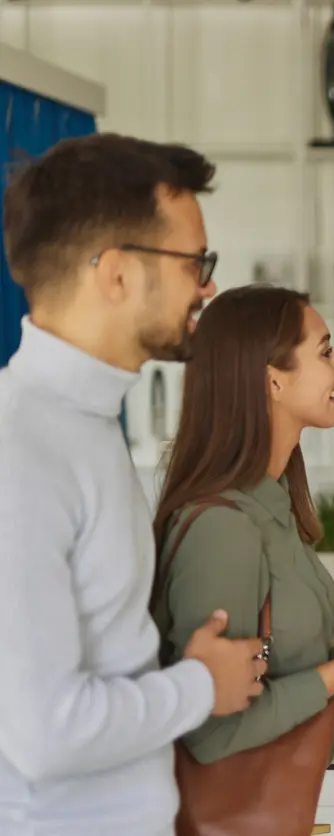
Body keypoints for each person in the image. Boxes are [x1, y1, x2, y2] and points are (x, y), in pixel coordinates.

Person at [0, 133, 270, 836]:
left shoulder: (82, 423)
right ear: (117, 273)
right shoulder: (19, 446)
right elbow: (46, 733)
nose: (208, 285)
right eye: (195, 262)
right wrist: (201, 687)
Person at [150, 284, 334, 771]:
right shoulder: (222, 528)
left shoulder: (272, 502)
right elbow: (214, 732)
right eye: (326, 351)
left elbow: (274, 665)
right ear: (272, 381)